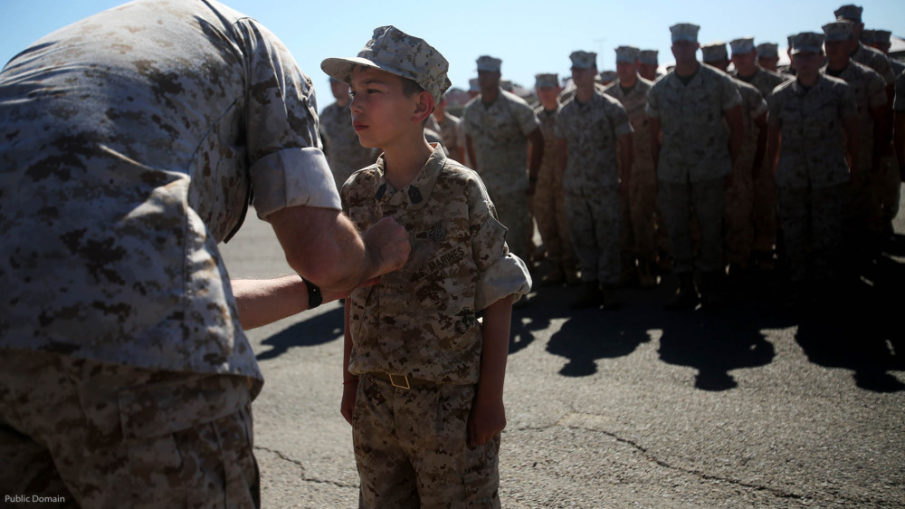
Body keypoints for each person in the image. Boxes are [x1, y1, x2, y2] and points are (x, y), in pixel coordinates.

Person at [0, 1, 411, 507]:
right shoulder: (253, 45)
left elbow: (166, 293)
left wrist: (318, 292)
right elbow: (324, 258)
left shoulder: (55, 55)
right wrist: (371, 257)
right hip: (137, 373)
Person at [321, 26, 531, 508]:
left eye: (373, 91)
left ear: (421, 106)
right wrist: (351, 384)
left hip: (449, 406)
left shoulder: (461, 189)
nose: (355, 104)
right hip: (376, 403)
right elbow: (353, 294)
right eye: (354, 93)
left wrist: (490, 400)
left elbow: (499, 294)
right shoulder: (357, 192)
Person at [647, 23, 744, 309]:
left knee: (711, 229)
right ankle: (686, 286)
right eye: (678, 44)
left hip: (710, 171)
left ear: (697, 47)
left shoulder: (718, 82)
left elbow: (737, 127)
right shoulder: (660, 89)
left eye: (688, 44)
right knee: (677, 230)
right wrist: (658, 170)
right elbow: (653, 135)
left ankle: (711, 286)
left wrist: (729, 164)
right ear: (672, 48)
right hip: (673, 173)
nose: (683, 49)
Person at [766, 32, 859, 307]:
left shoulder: (839, 90)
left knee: (827, 234)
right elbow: (773, 139)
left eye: (810, 55)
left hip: (828, 176)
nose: (804, 61)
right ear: (791, 59)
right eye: (799, 56)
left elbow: (853, 133)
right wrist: (771, 173)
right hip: (791, 178)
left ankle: (826, 288)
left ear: (821, 57)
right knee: (794, 236)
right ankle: (798, 286)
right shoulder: (780, 95)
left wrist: (856, 167)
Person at [556, 50, 634, 308]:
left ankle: (609, 286)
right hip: (575, 188)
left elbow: (626, 144)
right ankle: (589, 284)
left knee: (608, 237)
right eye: (574, 70)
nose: (577, 74)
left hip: (604, 185)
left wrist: (625, 179)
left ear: (594, 72)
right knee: (582, 237)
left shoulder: (611, 107)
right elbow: (561, 149)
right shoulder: (565, 112)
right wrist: (564, 180)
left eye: (583, 69)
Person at [462, 55, 544, 266]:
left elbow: (537, 140)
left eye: (487, 73)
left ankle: (523, 285)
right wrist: (476, 174)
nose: (483, 78)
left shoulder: (516, 107)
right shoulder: (471, 110)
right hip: (486, 191)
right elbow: (468, 142)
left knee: (518, 242)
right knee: (489, 244)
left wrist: (533, 178)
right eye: (480, 73)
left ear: (498, 75)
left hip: (513, 188)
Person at [822, 20, 890, 262]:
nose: (832, 47)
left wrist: (878, 158)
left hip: (861, 161)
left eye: (838, 42)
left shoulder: (868, 78)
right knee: (830, 219)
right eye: (829, 42)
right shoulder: (815, 79)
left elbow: (883, 121)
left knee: (864, 218)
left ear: (851, 43)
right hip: (825, 164)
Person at [702, 41, 768, 281]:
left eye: (718, 63)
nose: (714, 68)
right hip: (706, 170)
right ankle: (714, 270)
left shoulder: (746, 92)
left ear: (727, 62)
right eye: (709, 63)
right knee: (708, 222)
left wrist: (757, 163)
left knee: (739, 220)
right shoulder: (696, 94)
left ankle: (740, 268)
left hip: (739, 168)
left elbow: (765, 128)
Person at [604, 45, 660, 288]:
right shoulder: (607, 96)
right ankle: (626, 268)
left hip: (645, 167)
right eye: (619, 64)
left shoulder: (652, 92)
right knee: (620, 220)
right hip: (616, 168)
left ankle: (648, 267)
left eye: (626, 64)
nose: (622, 69)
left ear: (637, 65)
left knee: (643, 219)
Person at [732, 37, 789, 271]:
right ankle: (741, 256)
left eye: (745, 54)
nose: (741, 59)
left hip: (767, 155)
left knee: (766, 204)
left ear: (754, 54)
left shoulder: (777, 83)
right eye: (736, 55)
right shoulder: (727, 85)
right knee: (738, 208)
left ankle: (765, 250)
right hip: (738, 158)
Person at [533, 73, 578, 286]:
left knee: (567, 224)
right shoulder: (533, 119)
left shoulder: (568, 114)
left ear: (558, 90)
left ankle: (571, 268)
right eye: (541, 89)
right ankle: (555, 267)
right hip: (542, 181)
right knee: (546, 224)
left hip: (565, 179)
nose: (545, 93)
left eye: (549, 88)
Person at [320, 77, 378, 191]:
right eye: (331, 83)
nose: (333, 86)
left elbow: (379, 143)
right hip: (336, 181)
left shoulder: (359, 109)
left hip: (361, 181)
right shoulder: (326, 113)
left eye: (336, 82)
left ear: (347, 85)